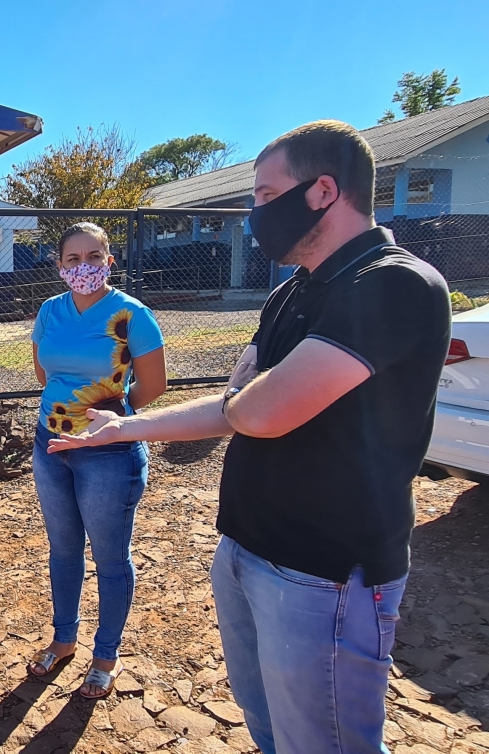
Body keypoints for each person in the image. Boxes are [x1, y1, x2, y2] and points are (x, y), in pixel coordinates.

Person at [49, 121, 450, 753]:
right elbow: (240, 402)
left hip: (326, 572)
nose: (254, 212)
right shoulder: (295, 291)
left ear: (323, 190)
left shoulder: (393, 283)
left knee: (325, 743)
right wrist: (126, 427)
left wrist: (248, 396)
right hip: (246, 549)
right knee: (269, 730)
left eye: (265, 195)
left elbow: (260, 413)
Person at [25, 222, 167, 698]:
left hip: (107, 453)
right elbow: (44, 370)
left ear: (110, 260)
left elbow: (152, 387)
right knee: (62, 551)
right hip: (51, 447)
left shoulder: (132, 315)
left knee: (109, 557)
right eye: (72, 259)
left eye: (93, 257)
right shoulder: (49, 311)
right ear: (60, 265)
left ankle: (105, 655)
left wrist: (112, 416)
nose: (82, 266)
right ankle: (63, 640)